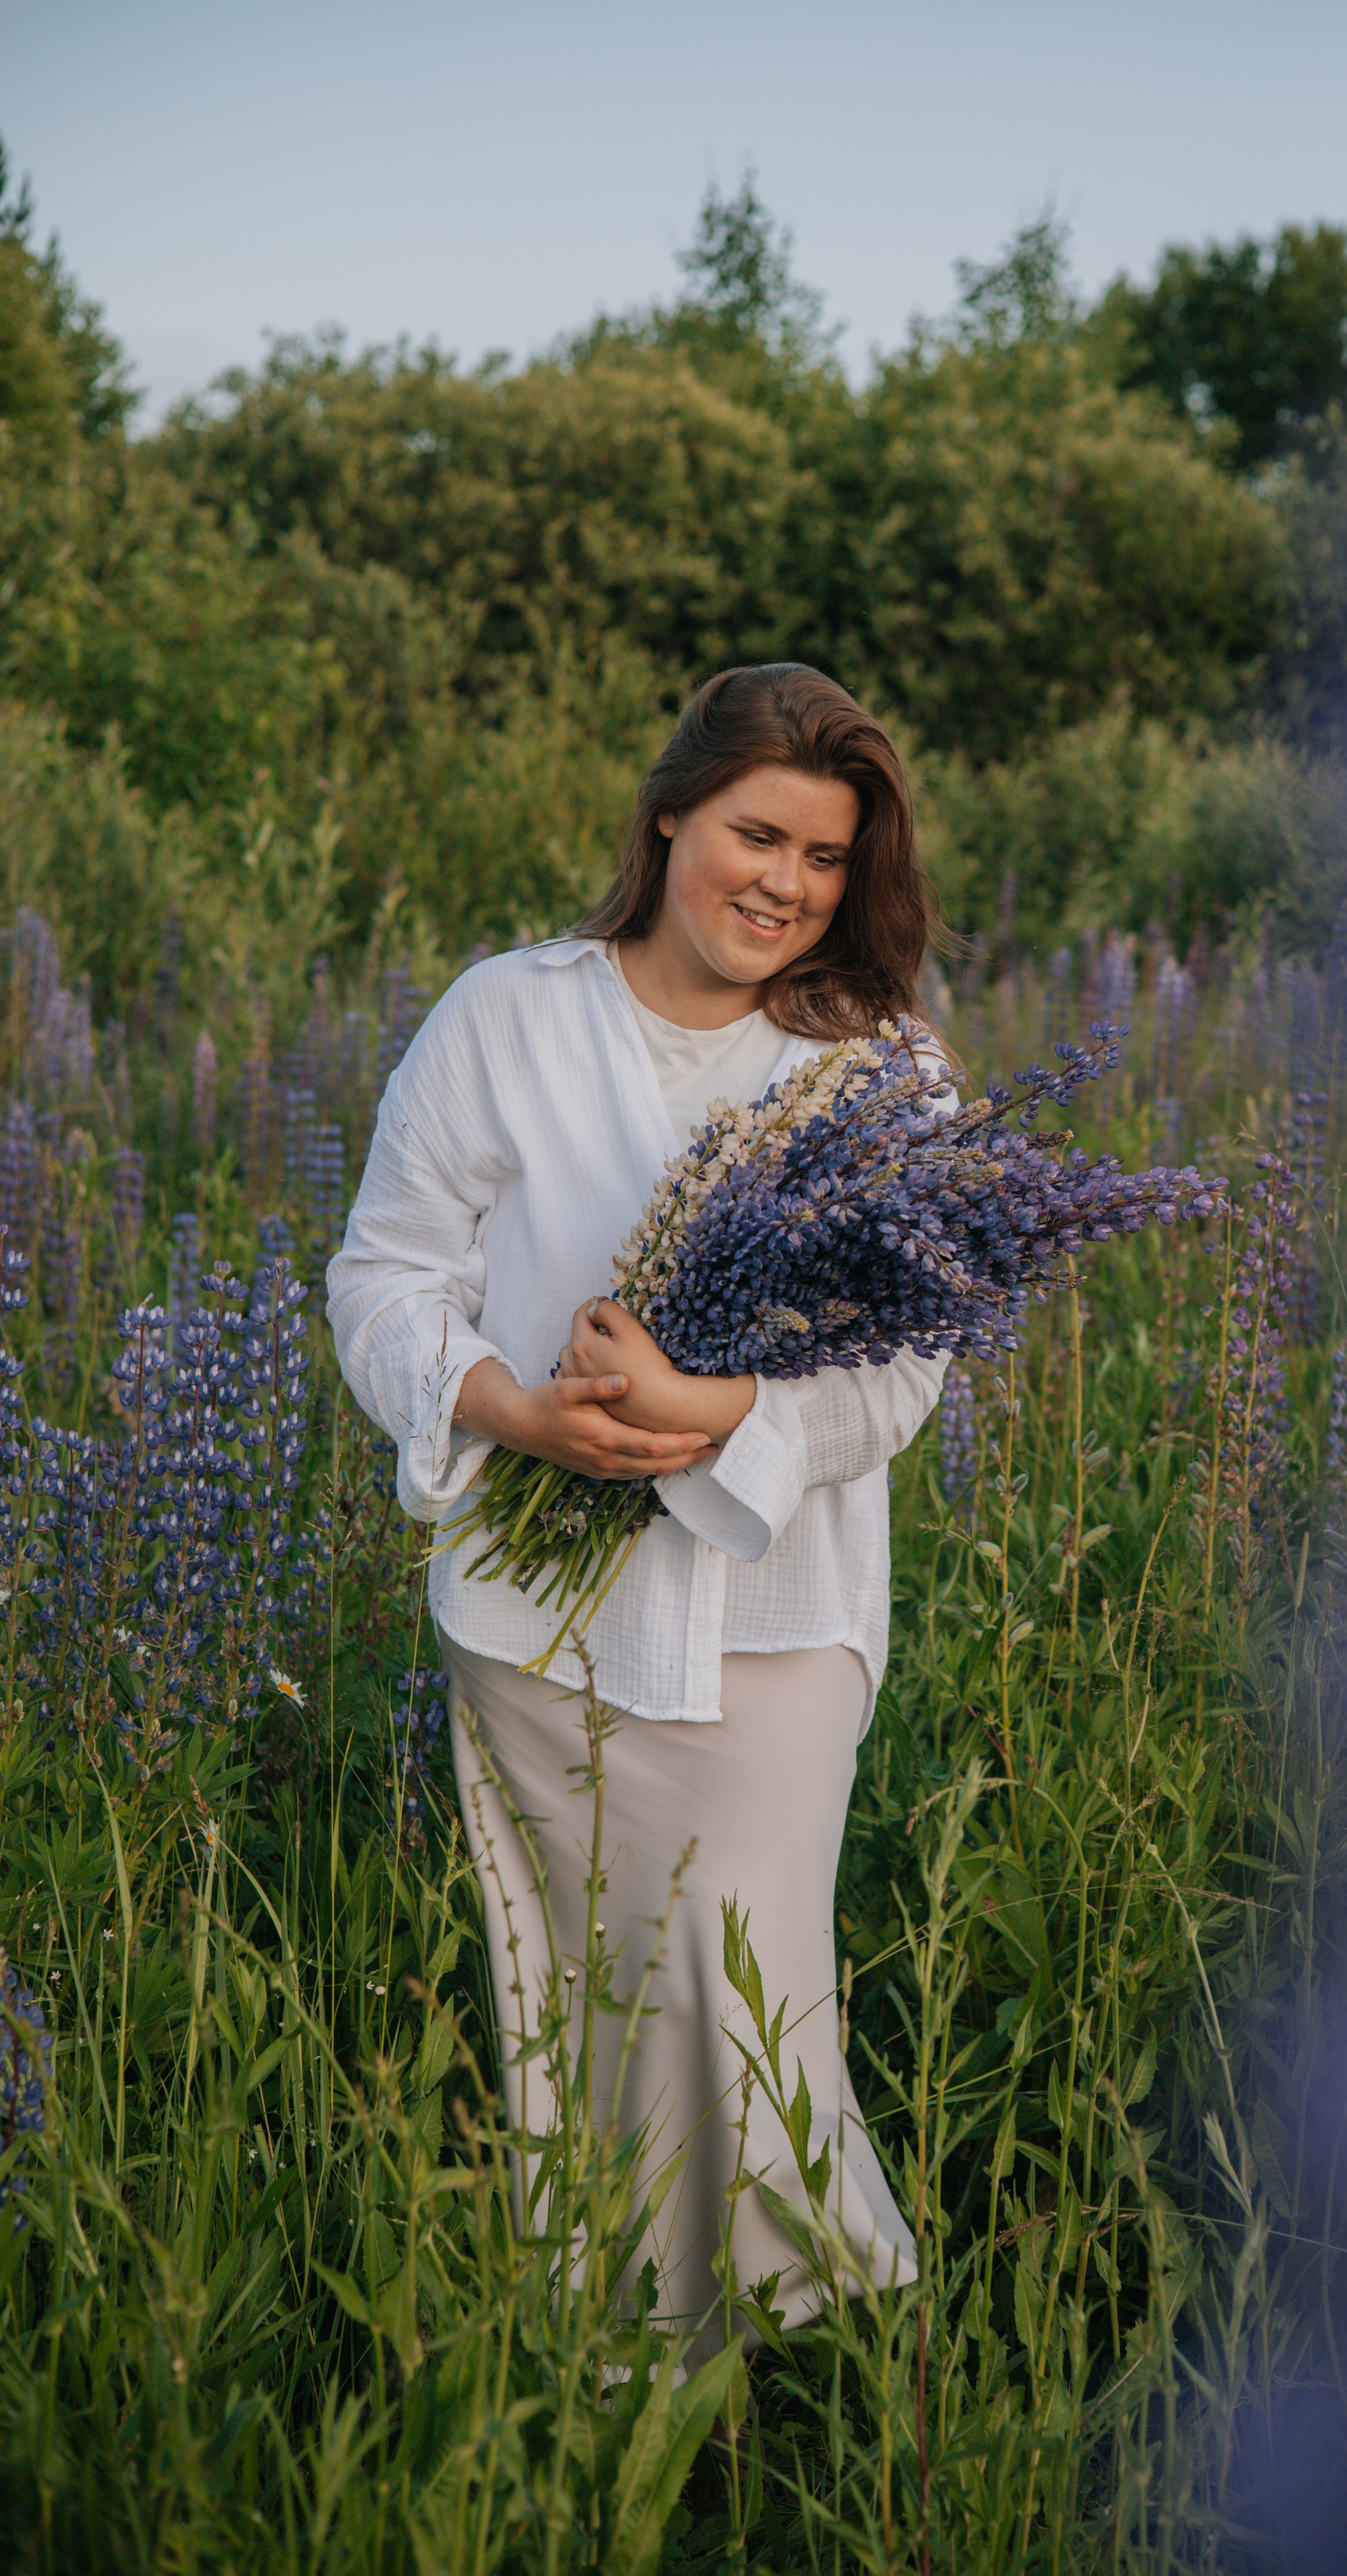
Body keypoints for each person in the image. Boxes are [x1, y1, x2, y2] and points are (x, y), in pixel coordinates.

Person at [327, 661, 945, 2355]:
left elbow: (904, 1378)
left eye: (824, 857)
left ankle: (829, 2358)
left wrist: (705, 1411)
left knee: (752, 2006)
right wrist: (516, 1412)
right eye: (758, 835)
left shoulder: (877, 1066)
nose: (785, 884)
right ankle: (610, 2376)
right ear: (669, 816)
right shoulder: (506, 1015)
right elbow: (383, 1278)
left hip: (773, 1622)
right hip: (532, 1621)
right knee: (582, 2019)